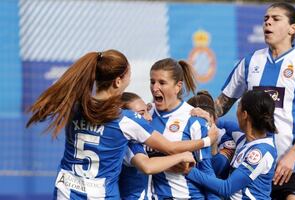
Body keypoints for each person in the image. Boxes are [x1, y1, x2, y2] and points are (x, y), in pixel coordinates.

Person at [25, 50, 215, 199]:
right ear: (117, 81)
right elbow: (169, 149)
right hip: (101, 194)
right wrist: (208, 140)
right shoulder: (127, 120)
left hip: (65, 191)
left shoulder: (75, 107)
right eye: (128, 76)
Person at [215, 2, 295, 199]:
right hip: (254, 166)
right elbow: (221, 104)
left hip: (293, 168)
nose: (268, 23)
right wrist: (196, 112)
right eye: (265, 19)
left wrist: (292, 156)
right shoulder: (250, 62)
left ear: (293, 28)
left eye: (275, 18)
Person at [186, 90, 277, 199]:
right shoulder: (243, 136)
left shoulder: (261, 152)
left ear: (244, 115)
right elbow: (216, 123)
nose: (236, 111)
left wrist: (189, 170)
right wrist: (205, 116)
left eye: (238, 106)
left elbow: (226, 188)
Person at [149, 58, 219, 199]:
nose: (155, 88)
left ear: (178, 86)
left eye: (162, 82)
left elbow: (206, 170)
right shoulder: (145, 115)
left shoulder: (194, 119)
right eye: (152, 82)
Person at [188, 90, 242, 179]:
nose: (200, 125)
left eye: (204, 120)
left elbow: (213, 171)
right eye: (195, 120)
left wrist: (212, 142)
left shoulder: (228, 137)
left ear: (216, 119)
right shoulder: (184, 134)